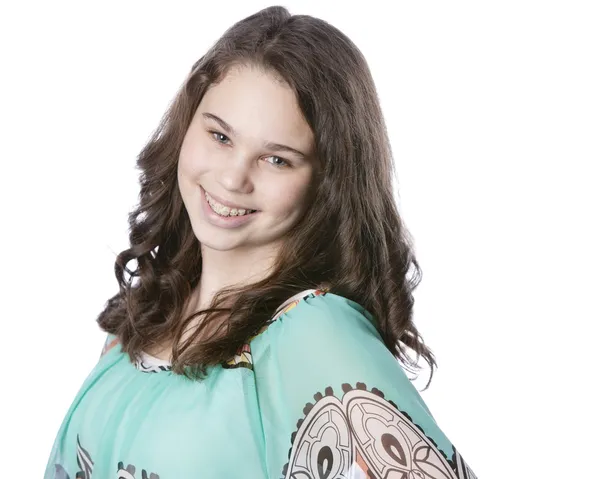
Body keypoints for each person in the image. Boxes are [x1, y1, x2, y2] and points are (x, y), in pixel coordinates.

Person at [45, 6, 477, 479]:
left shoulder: (313, 331)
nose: (232, 178)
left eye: (277, 160)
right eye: (220, 136)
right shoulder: (145, 315)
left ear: (328, 181)